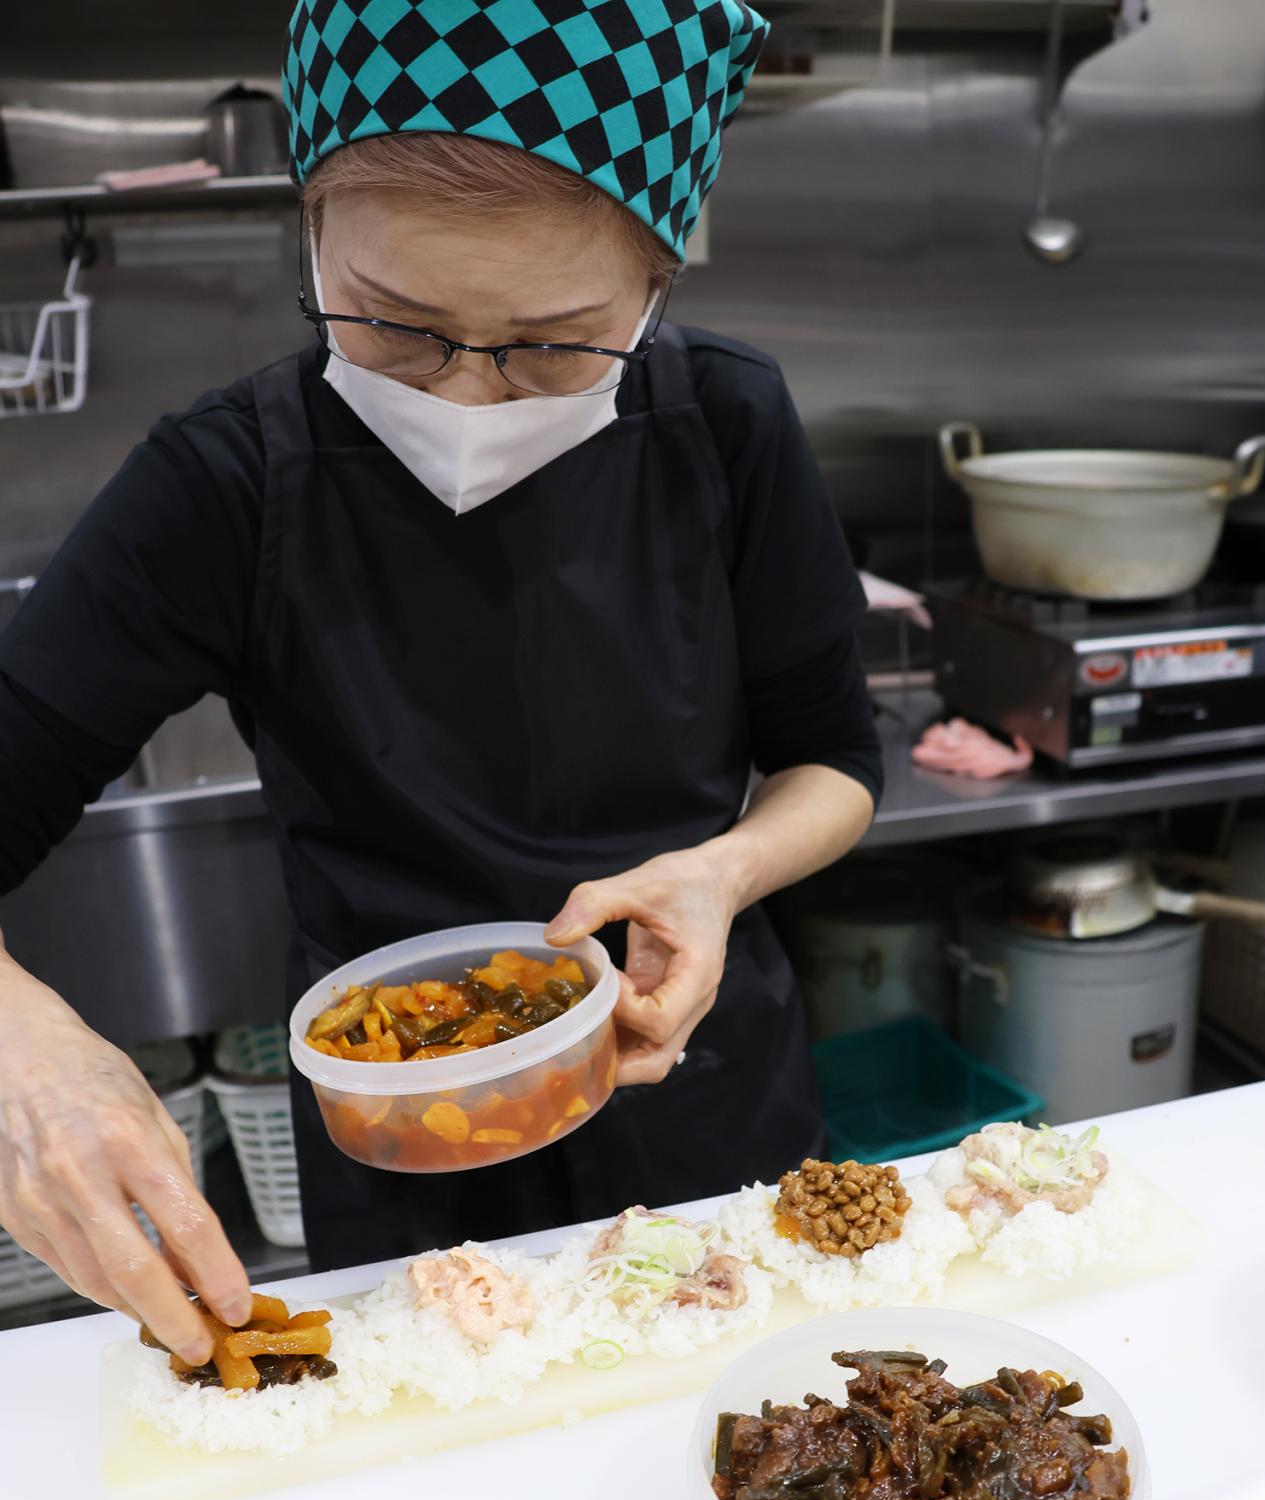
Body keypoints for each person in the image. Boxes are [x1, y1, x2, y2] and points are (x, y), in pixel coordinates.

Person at [0, 0, 881, 1366]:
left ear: (657, 284)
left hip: (701, 1098)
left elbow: (837, 764)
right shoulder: (225, 483)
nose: (468, 401)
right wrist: (25, 1058)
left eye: (554, 345)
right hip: (398, 1141)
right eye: (396, 328)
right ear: (311, 235)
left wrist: (725, 873)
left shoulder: (724, 422)